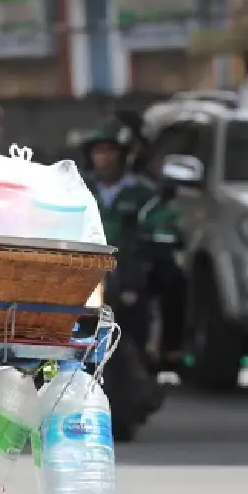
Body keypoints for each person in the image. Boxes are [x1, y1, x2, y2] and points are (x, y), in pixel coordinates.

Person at [81, 116, 165, 435]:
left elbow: (165, 224)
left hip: (129, 276)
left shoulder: (145, 195)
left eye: (110, 151)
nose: (104, 158)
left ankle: (158, 364)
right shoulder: (80, 189)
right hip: (86, 276)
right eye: (98, 151)